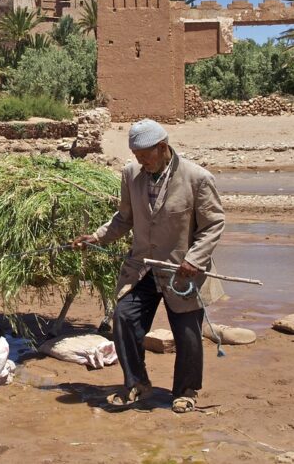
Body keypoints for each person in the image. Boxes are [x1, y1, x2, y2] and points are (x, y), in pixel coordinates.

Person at [73, 118, 225, 413]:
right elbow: (124, 218)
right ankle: (137, 383)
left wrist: (194, 259)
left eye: (145, 156)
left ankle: (186, 390)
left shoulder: (197, 178)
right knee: (124, 316)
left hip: (182, 270)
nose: (141, 162)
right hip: (142, 266)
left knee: (187, 333)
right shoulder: (132, 175)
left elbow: (213, 225)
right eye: (136, 156)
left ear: (163, 147)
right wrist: (97, 236)